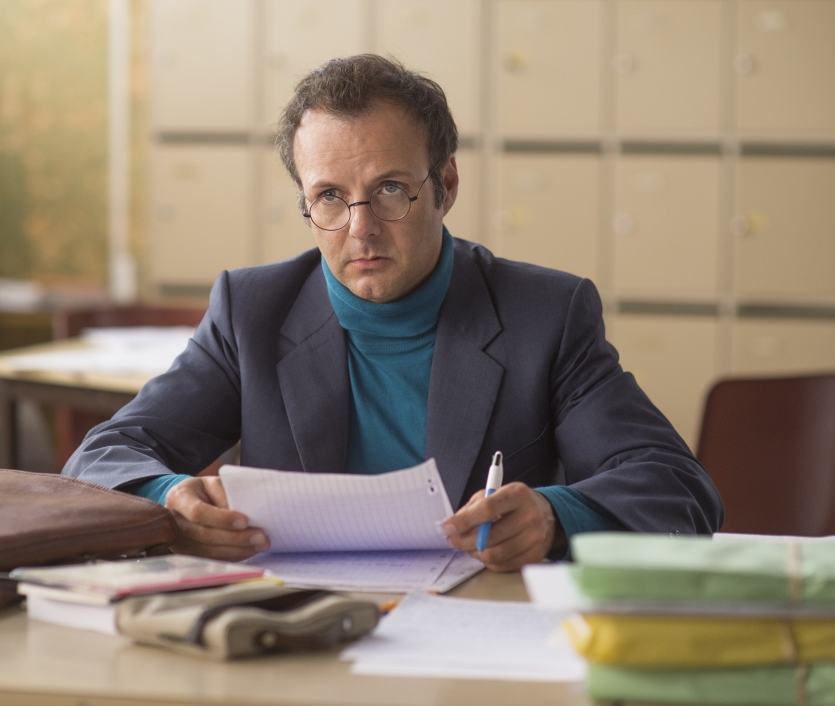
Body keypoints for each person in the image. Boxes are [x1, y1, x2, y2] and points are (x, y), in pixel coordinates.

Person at [64, 55, 722, 572]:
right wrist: (169, 497)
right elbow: (101, 457)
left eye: (390, 190)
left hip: (478, 634)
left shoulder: (544, 315)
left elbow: (677, 488)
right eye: (329, 196)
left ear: (446, 186)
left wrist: (556, 517)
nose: (362, 229)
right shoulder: (252, 312)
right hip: (303, 632)